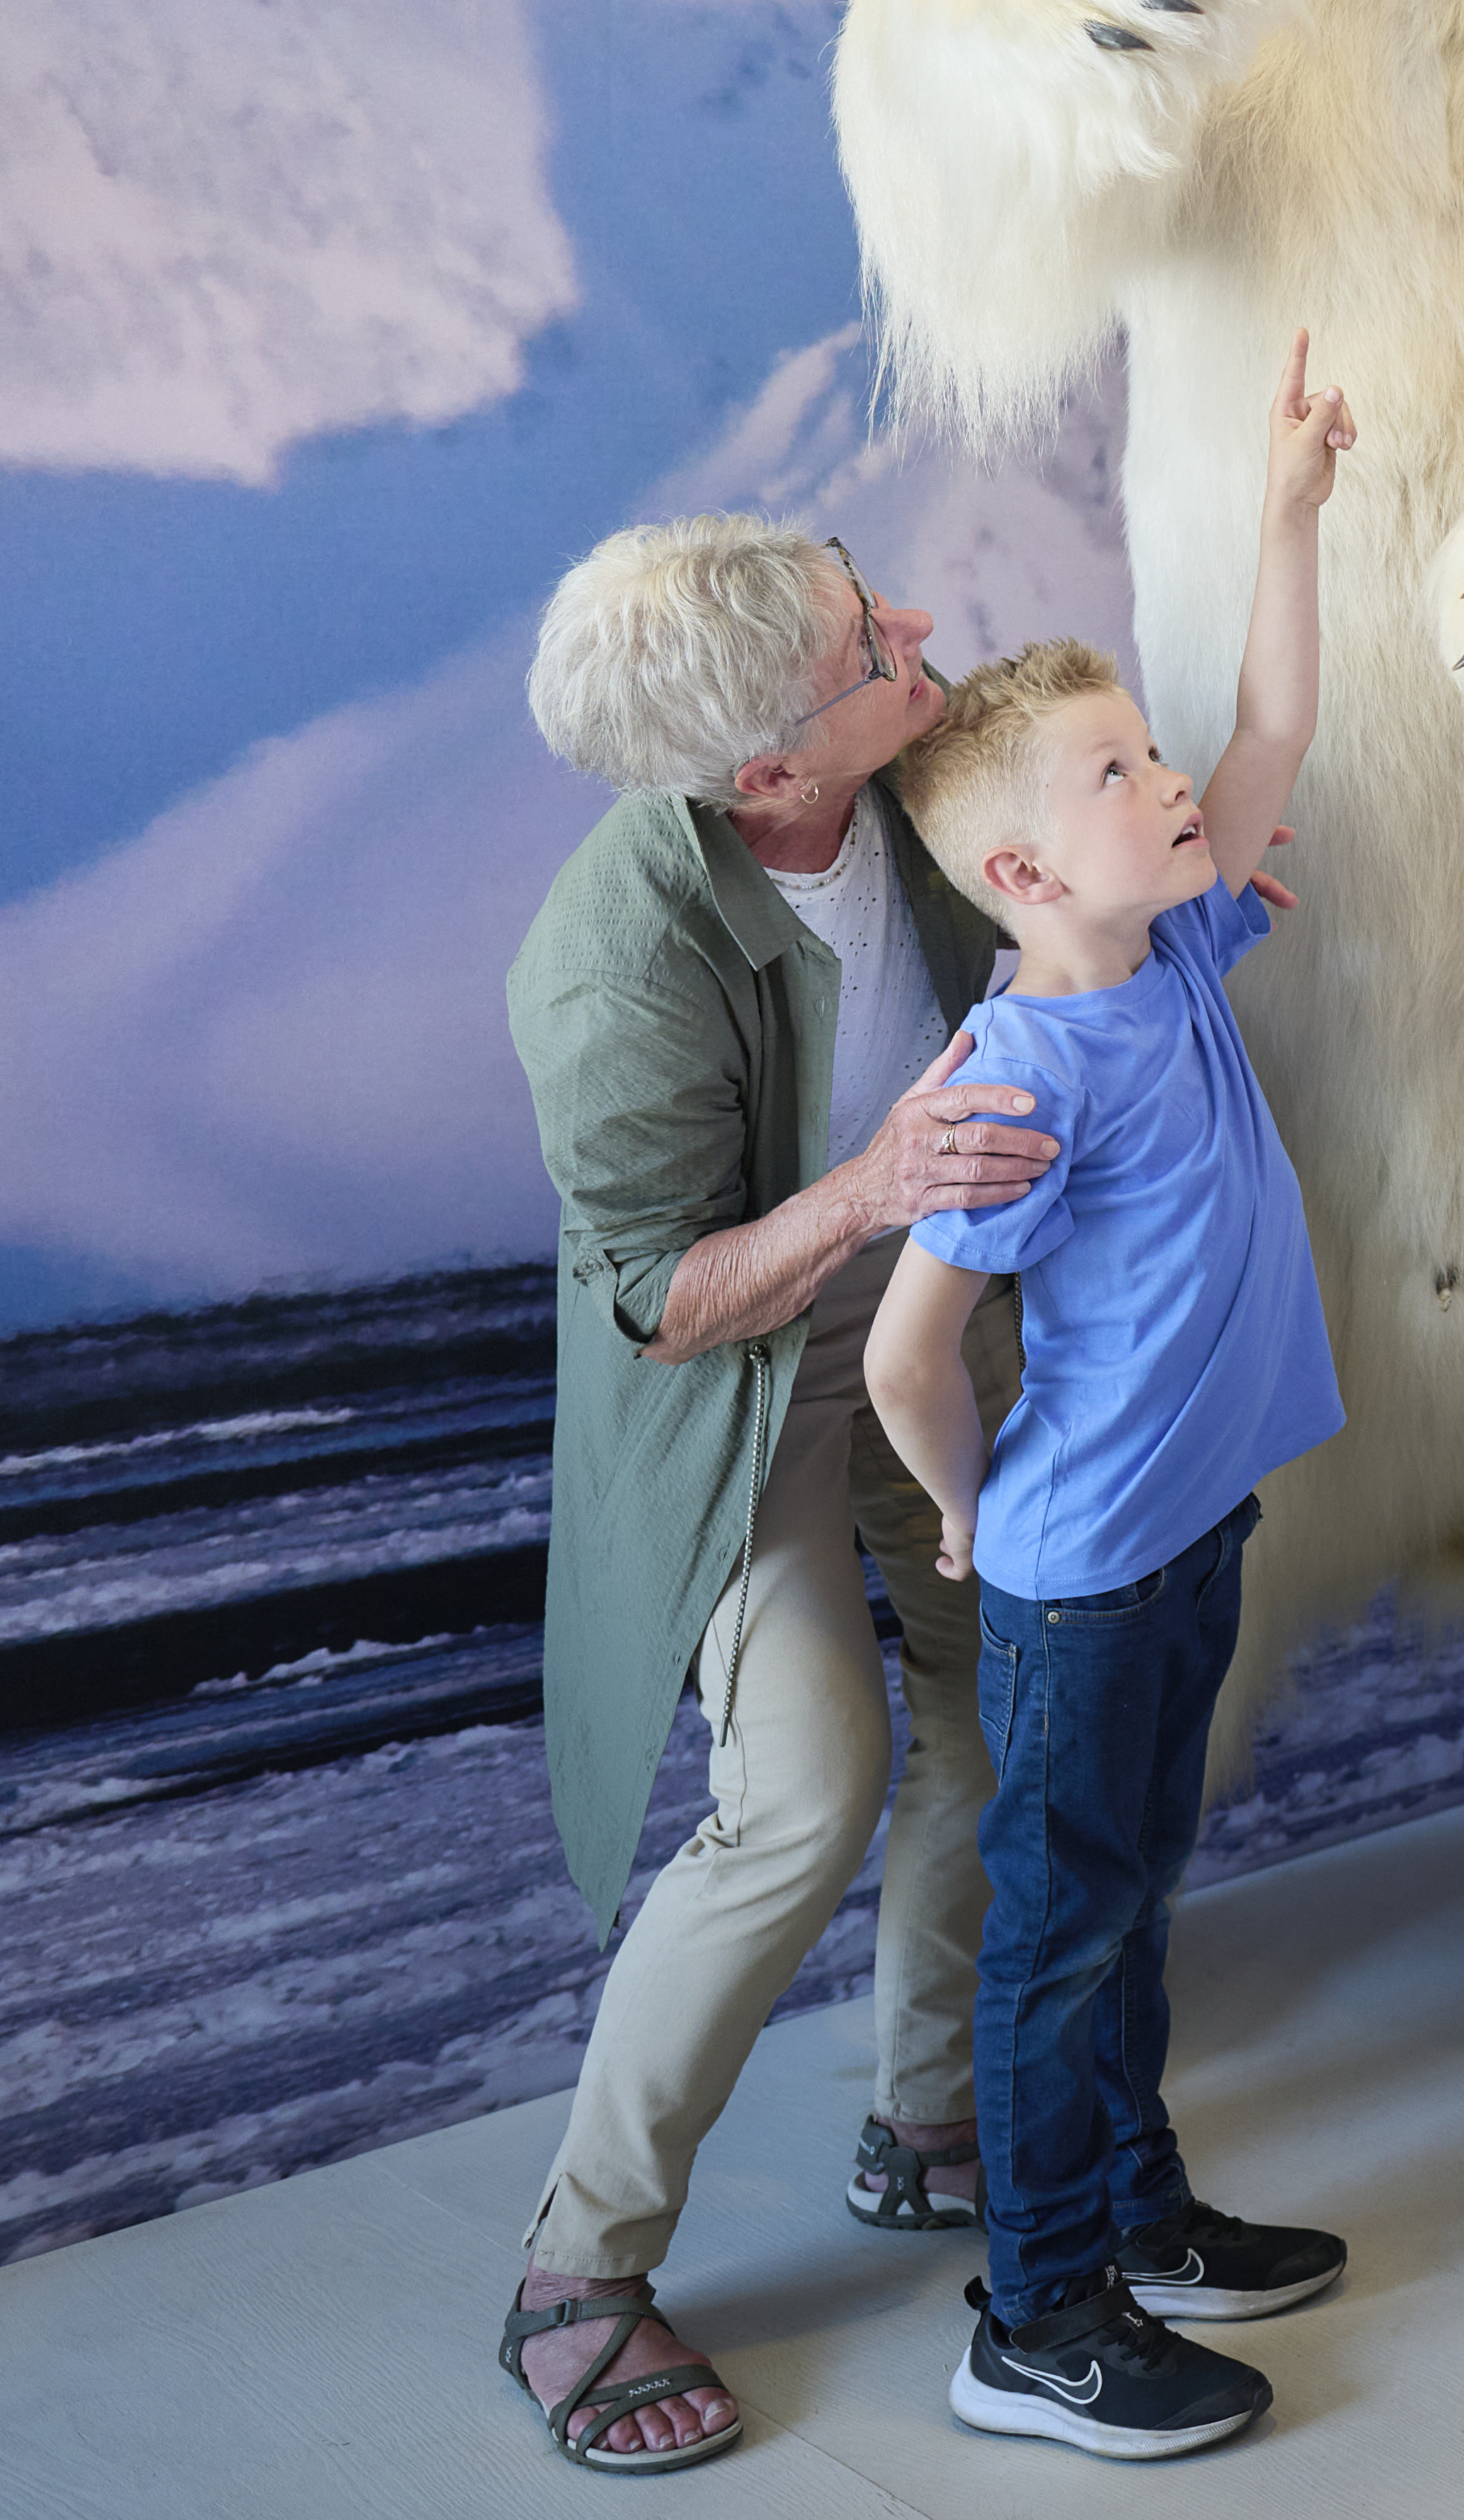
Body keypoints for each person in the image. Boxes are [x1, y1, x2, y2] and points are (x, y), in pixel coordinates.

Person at [493, 515, 1060, 2474]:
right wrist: (873, 1187)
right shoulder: (611, 960)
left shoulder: (908, 772)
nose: (913, 622)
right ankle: (577, 2268)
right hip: (740, 1385)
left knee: (1012, 1700)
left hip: (938, 1324)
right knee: (802, 1788)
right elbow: (661, 1299)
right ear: (766, 774)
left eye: (858, 582)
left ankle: (928, 2123)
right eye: (863, 633)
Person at [864, 337, 1363, 2462]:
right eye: (1111, 773)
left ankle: (1136, 2216)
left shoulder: (1164, 955)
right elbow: (907, 1353)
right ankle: (1035, 2310)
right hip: (1075, 1572)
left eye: (1142, 754)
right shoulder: (1019, 1074)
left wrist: (1288, 515)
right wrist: (968, 1517)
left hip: (1186, 1536)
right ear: (1019, 877)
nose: (1169, 782)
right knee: (1056, 1944)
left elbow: (1275, 725)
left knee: (1136, 1897)